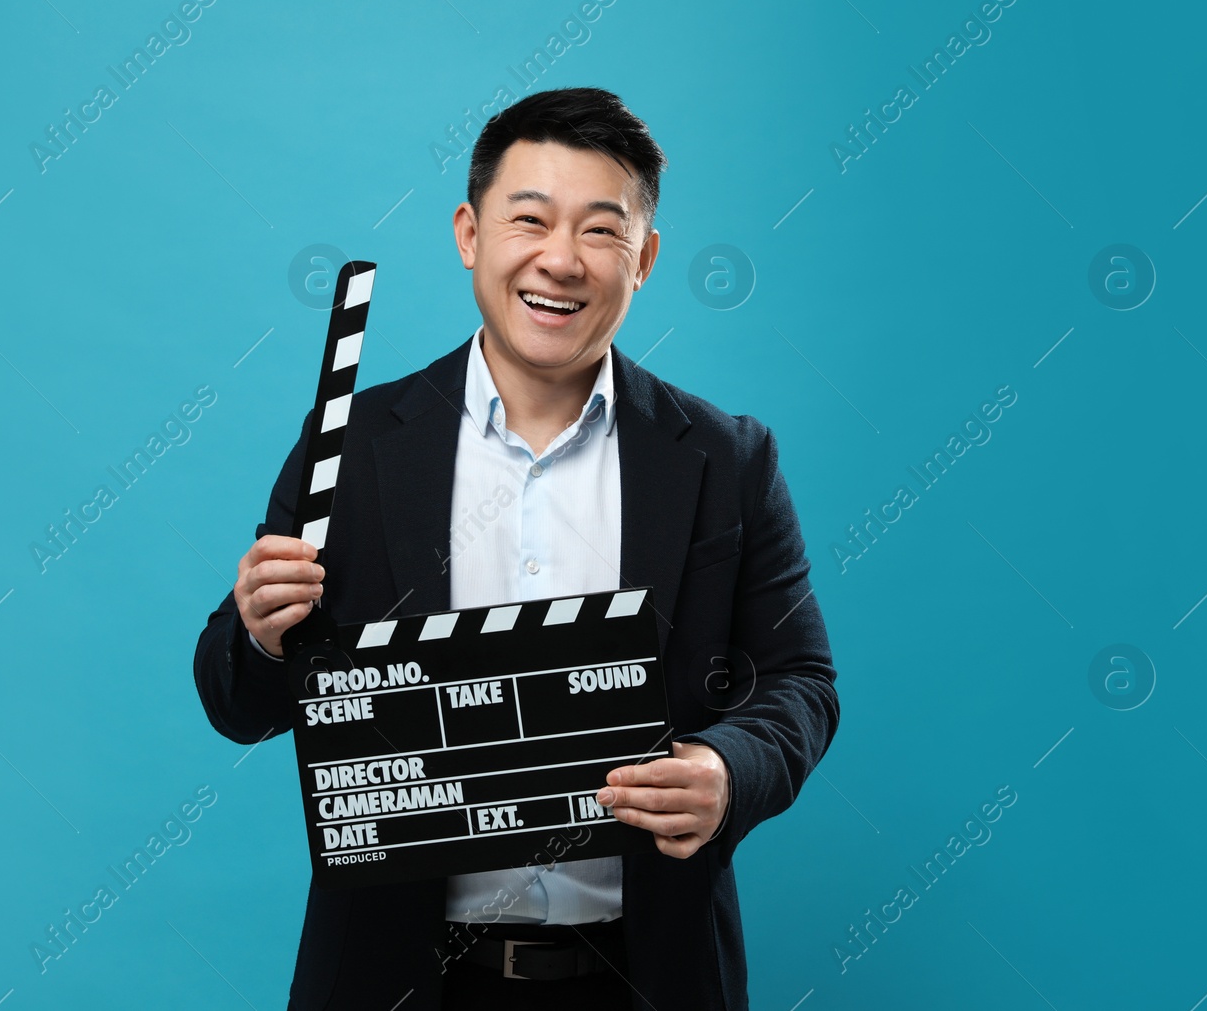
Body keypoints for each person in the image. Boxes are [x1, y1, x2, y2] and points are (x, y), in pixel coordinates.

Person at [192, 87, 838, 1010]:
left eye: (602, 232)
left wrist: (729, 770)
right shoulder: (354, 448)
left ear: (645, 258)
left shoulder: (729, 459)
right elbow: (238, 705)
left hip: (648, 974)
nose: (561, 260)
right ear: (469, 233)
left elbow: (801, 682)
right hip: (397, 978)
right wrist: (259, 631)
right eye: (529, 219)